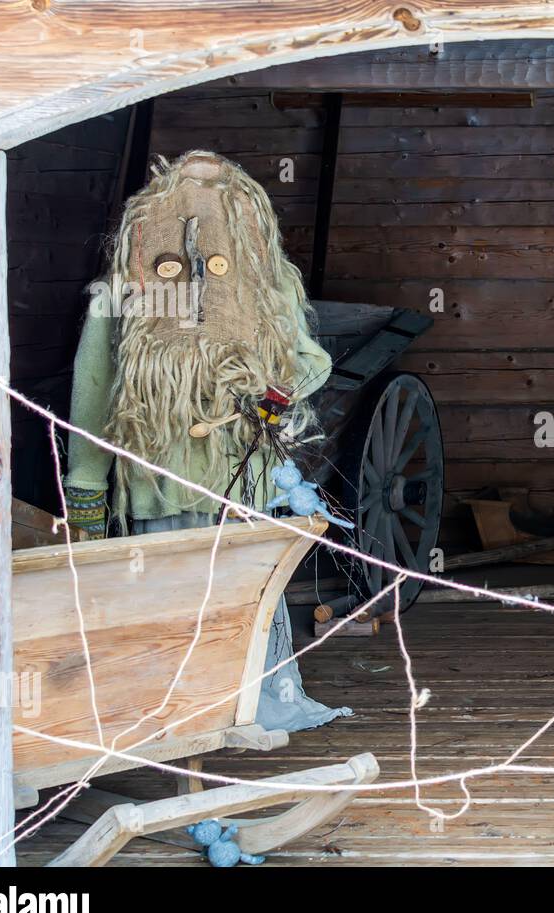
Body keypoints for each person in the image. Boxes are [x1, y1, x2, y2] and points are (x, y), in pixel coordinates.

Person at [64, 150, 350, 733]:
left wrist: (272, 388)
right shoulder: (122, 294)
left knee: (246, 598)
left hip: (243, 479)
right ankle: (178, 714)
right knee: (169, 601)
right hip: (159, 479)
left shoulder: (267, 289)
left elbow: (309, 361)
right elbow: (92, 393)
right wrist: (87, 486)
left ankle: (251, 705)